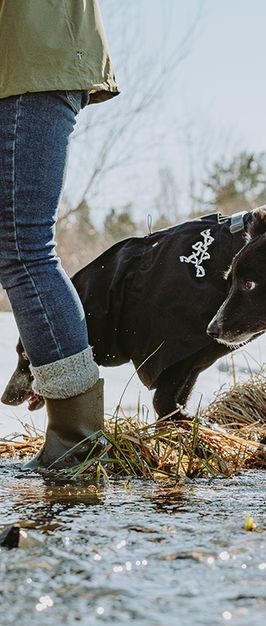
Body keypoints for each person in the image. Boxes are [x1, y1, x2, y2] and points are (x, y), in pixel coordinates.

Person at [0, 0, 118, 472]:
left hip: (34, 57)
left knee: (23, 247)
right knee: (21, 246)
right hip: (28, 58)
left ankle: (77, 444)